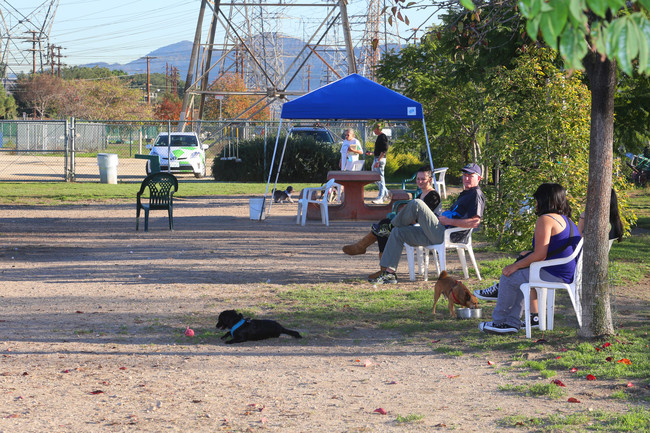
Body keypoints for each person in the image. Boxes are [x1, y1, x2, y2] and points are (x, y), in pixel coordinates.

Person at [477, 183, 581, 334]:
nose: (535, 204)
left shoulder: (545, 219)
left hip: (554, 273)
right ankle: (510, 320)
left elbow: (540, 255)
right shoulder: (567, 220)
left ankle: (503, 322)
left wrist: (515, 266)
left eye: (537, 200)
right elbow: (553, 249)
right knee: (518, 274)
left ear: (544, 200)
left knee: (510, 276)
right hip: (566, 271)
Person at [368, 163, 485, 284]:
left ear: (479, 178)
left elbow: (475, 222)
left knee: (417, 203)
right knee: (398, 232)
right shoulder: (465, 194)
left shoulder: (476, 194)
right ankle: (389, 273)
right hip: (437, 230)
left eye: (470, 176)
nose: (466, 178)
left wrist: (449, 221)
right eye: (465, 175)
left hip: (446, 234)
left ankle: (389, 227)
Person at [342, 166, 441, 279]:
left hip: (424, 230)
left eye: (423, 179)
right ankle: (382, 267)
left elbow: (422, 218)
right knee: (384, 226)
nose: (419, 181)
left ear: (430, 180)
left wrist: (404, 219)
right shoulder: (420, 195)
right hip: (413, 225)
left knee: (386, 227)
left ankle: (363, 249)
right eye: (418, 179)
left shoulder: (433, 196)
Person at [368, 124, 389, 204]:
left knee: (380, 178)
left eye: (374, 129)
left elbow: (384, 150)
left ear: (378, 129)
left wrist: (378, 160)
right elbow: (379, 150)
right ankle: (386, 193)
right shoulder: (379, 137)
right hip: (377, 158)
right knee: (375, 178)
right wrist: (371, 153)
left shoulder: (383, 137)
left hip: (379, 160)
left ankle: (381, 197)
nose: (373, 131)